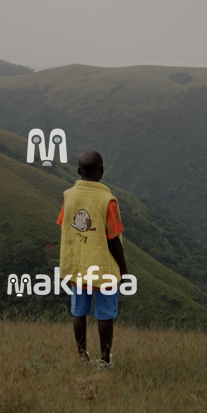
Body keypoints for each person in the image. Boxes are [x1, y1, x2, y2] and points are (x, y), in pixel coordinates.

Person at [57, 149, 128, 368]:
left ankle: (82, 358)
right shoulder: (108, 201)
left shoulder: (68, 196)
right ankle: (105, 361)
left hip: (78, 266)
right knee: (105, 315)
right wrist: (124, 270)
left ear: (79, 171)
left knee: (79, 312)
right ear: (102, 171)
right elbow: (113, 239)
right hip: (103, 268)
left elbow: (65, 224)